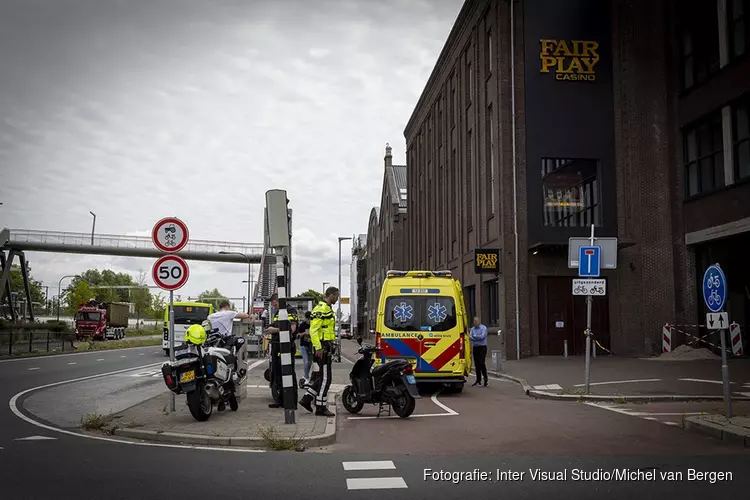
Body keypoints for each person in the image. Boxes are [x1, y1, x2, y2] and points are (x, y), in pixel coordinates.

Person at [299, 287, 338, 416]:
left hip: (325, 345)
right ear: (331, 295)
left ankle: (307, 399)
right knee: (326, 378)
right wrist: (319, 347)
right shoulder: (321, 309)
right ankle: (320, 407)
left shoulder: (325, 308)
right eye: (336, 296)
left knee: (321, 377)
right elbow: (314, 330)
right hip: (322, 346)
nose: (337, 299)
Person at [469, 316, 488, 387]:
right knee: (477, 364)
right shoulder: (472, 329)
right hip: (476, 347)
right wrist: (476, 337)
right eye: (474, 321)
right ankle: (478, 380)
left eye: (476, 321)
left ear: (479, 321)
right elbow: (470, 337)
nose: (475, 323)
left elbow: (482, 337)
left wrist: (475, 337)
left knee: (481, 362)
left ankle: (485, 379)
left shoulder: (483, 328)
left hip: (482, 347)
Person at [297, 311, 313, 384]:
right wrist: (305, 333)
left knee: (309, 362)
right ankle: (306, 377)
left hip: (310, 345)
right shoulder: (302, 325)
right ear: (306, 318)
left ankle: (306, 376)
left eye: (311, 319)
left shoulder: (313, 325)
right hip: (303, 345)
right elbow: (298, 335)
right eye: (309, 319)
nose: (310, 321)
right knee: (306, 362)